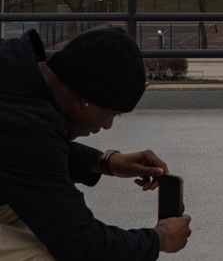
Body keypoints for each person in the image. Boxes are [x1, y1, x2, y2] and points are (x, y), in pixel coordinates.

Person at [0, 27, 192, 259]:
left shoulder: (16, 74)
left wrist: (105, 162)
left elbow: (22, 155)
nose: (108, 125)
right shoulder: (29, 127)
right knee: (44, 254)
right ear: (86, 97)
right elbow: (80, 244)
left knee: (43, 223)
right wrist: (159, 238)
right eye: (111, 113)